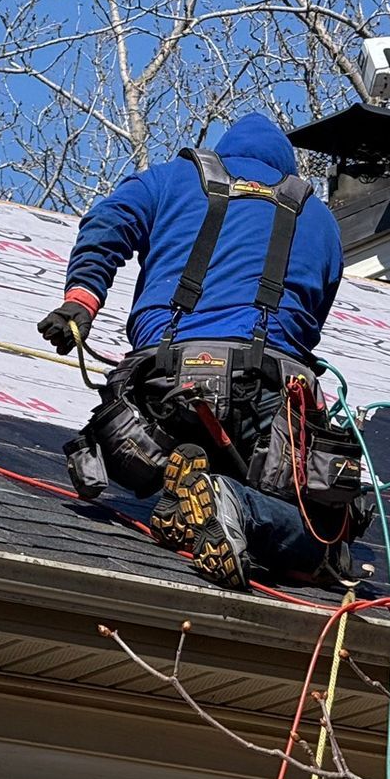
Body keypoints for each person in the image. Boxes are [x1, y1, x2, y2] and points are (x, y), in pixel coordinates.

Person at [37, 111, 364, 589]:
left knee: (142, 435)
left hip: (160, 383)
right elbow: (310, 319)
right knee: (329, 539)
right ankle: (235, 503)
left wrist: (81, 300)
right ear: (288, 169)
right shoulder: (320, 219)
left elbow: (108, 221)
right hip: (270, 392)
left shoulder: (170, 179)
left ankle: (171, 470)